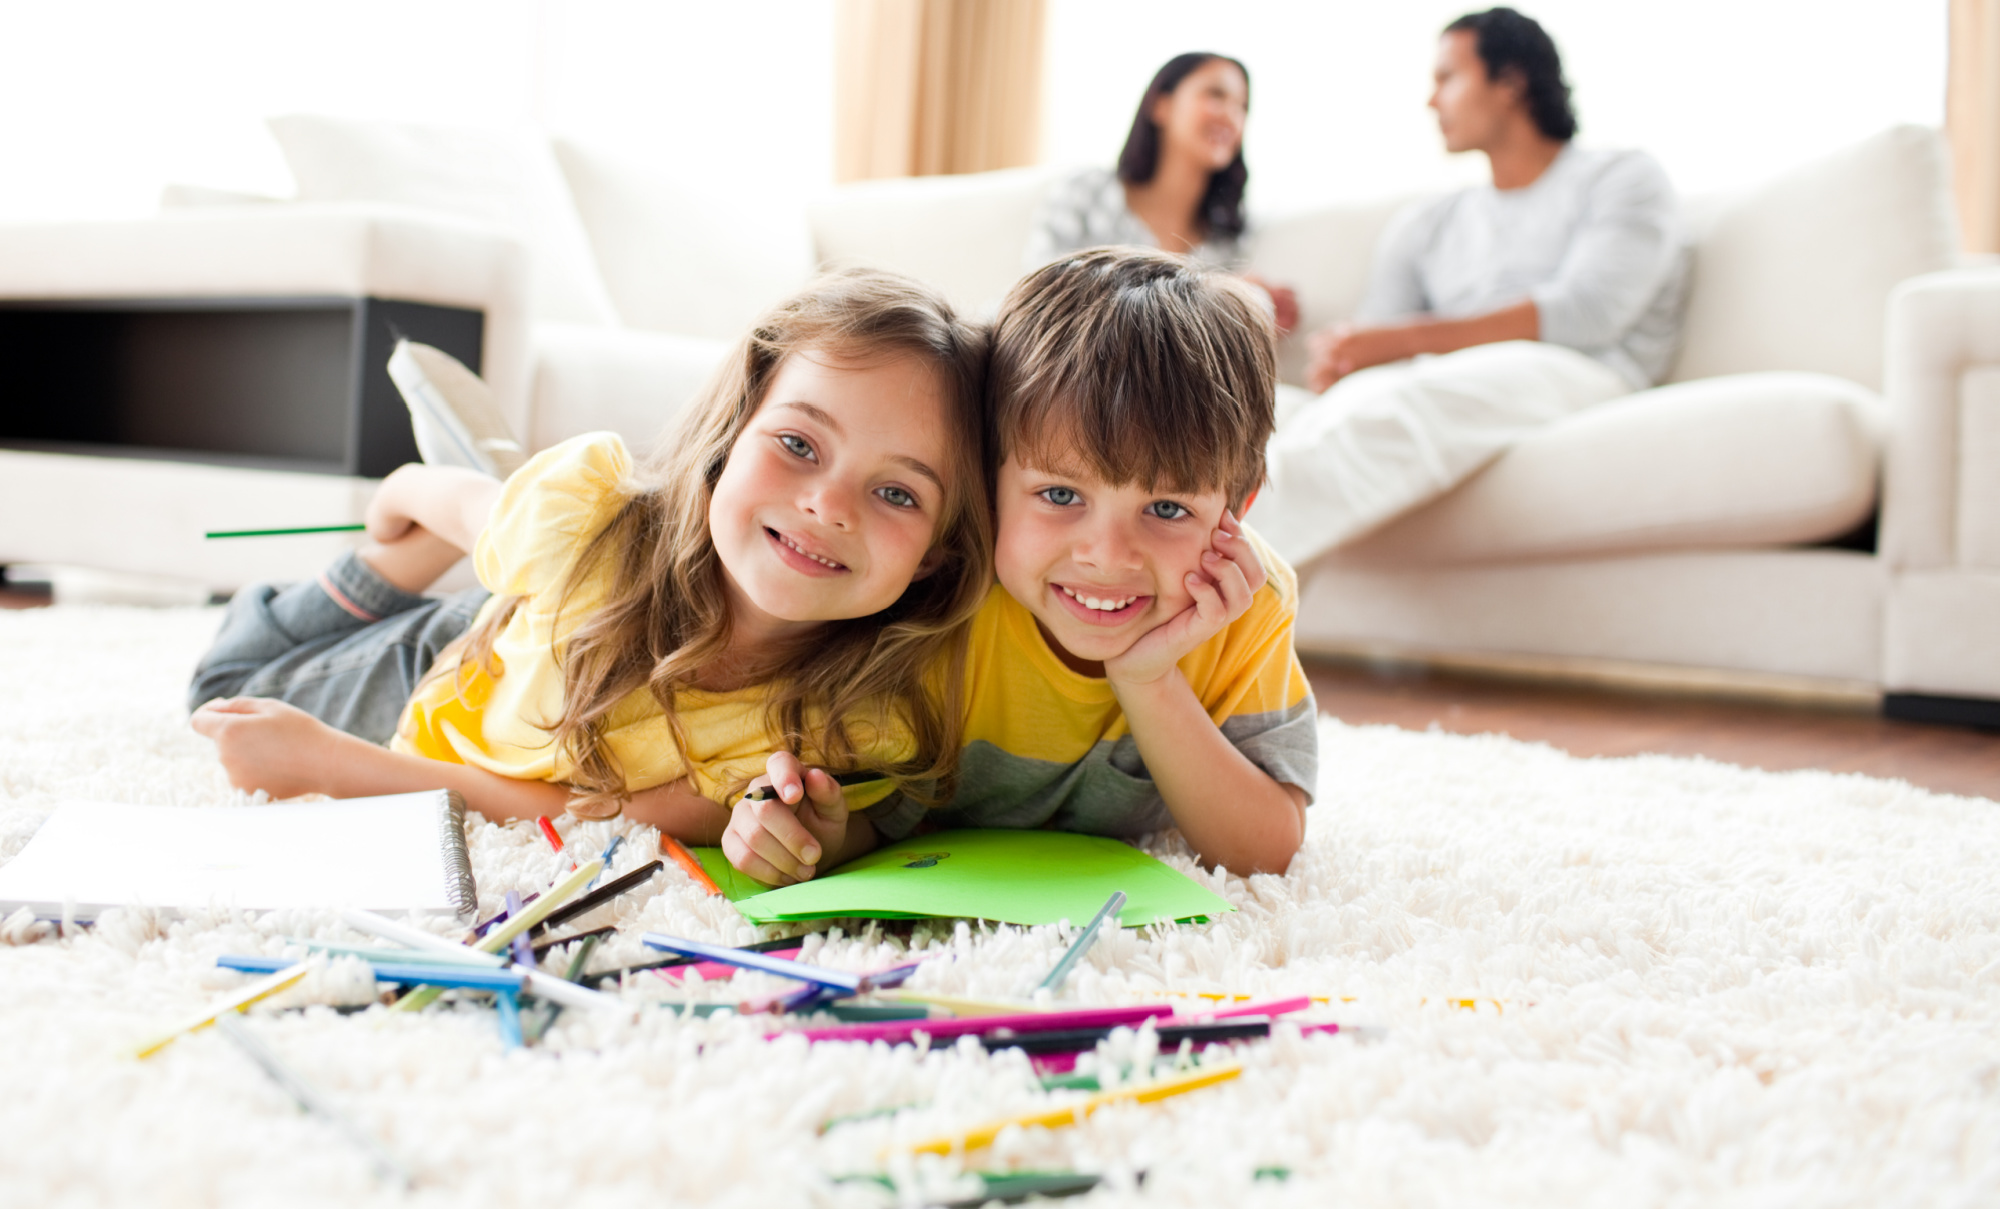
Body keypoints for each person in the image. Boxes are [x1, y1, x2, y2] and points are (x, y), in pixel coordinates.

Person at [189, 269, 994, 867]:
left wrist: (342, 764)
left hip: (518, 701)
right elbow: (446, 501)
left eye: (895, 491)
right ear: (728, 437)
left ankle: (498, 523)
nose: (829, 504)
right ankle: (460, 525)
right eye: (797, 444)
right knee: (223, 676)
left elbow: (571, 815)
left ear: (936, 558)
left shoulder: (833, 727)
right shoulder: (591, 524)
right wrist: (406, 497)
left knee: (251, 711)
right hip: (460, 660)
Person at [728, 249, 1317, 883]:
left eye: (1168, 508)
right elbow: (884, 812)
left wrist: (1146, 680)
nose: (1106, 555)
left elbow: (1269, 853)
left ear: (1238, 505)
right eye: (1061, 496)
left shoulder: (1242, 605)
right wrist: (826, 835)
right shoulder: (945, 597)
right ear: (986, 480)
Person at [1255, 7, 1688, 567]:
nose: (1431, 101)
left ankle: (1190, 607)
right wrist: (1348, 358)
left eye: (1447, 78)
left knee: (1394, 408)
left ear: (1510, 83)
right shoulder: (1428, 222)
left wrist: (1402, 342)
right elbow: (1376, 336)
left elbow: (1588, 311)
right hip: (1442, 372)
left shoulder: (1622, 177)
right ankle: (1240, 639)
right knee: (1284, 419)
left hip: (1580, 367)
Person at [1025, 52, 1299, 332]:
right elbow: (1044, 302)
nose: (1232, 116)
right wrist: (1211, 297)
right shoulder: (1086, 192)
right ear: (1160, 105)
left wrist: (1250, 304)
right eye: (1216, 95)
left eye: (1242, 106)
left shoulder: (1228, 239)